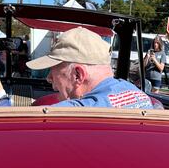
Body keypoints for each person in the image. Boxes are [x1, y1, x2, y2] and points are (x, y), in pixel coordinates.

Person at [26, 27, 156, 109]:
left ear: (78, 75)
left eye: (53, 70)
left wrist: (4, 97)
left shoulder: (84, 109)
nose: (49, 78)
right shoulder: (138, 95)